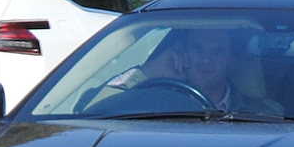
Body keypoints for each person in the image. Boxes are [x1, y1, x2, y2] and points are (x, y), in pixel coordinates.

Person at [104, 25, 282, 114]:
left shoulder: (259, 114)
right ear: (183, 51)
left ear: (231, 61)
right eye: (198, 48)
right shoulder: (152, 103)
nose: (206, 59)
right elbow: (90, 108)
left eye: (218, 52)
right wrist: (147, 72)